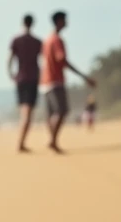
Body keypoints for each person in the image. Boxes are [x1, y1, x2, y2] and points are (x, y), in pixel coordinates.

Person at [40, 11, 96, 153]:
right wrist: (84, 77)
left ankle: (52, 140)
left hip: (45, 82)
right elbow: (62, 60)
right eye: (65, 20)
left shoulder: (46, 40)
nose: (67, 22)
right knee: (62, 111)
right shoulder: (57, 40)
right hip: (55, 81)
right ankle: (52, 140)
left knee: (52, 113)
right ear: (59, 21)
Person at [8, 14, 42, 153]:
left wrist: (11, 74)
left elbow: (9, 59)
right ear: (32, 24)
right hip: (31, 79)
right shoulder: (37, 41)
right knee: (27, 113)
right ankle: (20, 143)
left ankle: (21, 142)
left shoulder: (16, 40)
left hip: (21, 79)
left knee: (25, 111)